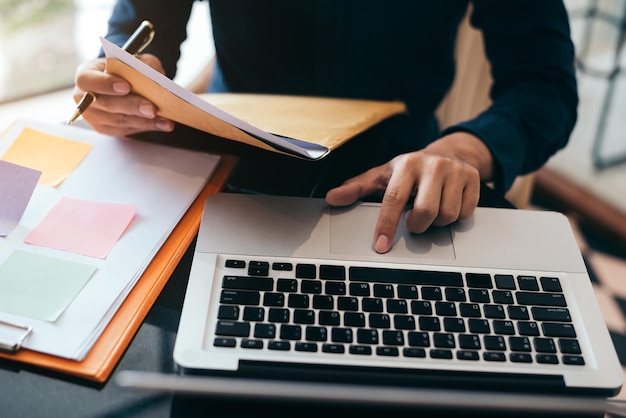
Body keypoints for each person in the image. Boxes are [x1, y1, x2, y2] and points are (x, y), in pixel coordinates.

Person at [72, 0, 577, 254]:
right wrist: (124, 78)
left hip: (398, 172)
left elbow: (544, 83)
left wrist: (467, 149)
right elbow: (144, 20)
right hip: (227, 156)